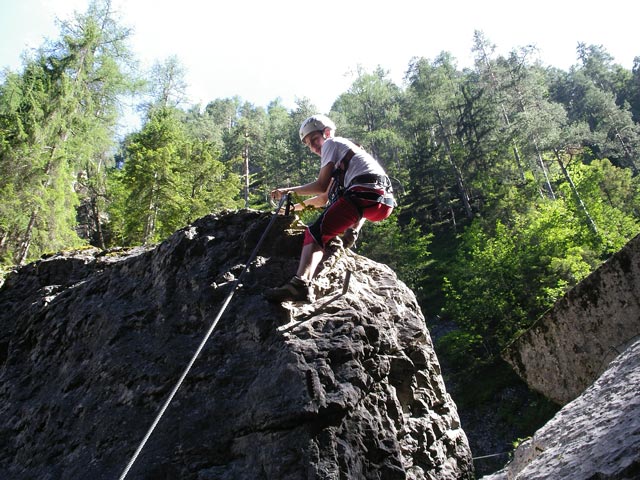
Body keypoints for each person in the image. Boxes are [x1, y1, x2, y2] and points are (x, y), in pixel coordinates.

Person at [263, 114, 395, 302]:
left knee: (315, 233)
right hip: (380, 203)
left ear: (327, 132)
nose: (313, 147)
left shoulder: (332, 144)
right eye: (309, 144)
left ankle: (300, 284)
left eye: (314, 140)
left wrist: (287, 191)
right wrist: (297, 208)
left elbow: (321, 186)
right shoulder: (348, 155)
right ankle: (352, 230)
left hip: (362, 194)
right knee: (337, 206)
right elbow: (324, 198)